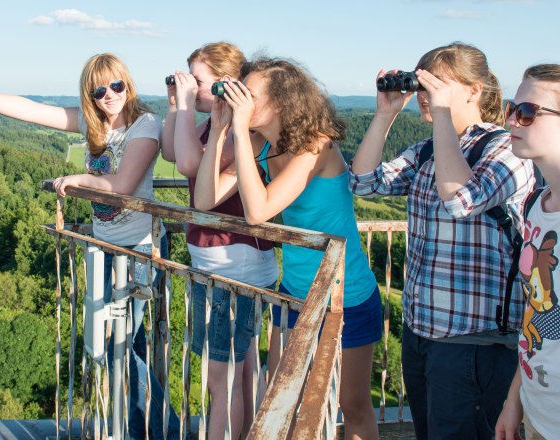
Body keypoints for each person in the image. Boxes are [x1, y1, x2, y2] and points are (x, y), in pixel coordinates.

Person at [0, 52, 179, 440]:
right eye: (99, 90)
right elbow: (28, 109)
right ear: (90, 96)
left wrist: (79, 178)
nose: (109, 95)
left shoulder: (145, 123)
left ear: (127, 84)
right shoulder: (92, 124)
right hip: (107, 249)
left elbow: (124, 186)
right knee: (131, 350)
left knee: (118, 351)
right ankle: (139, 429)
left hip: (140, 252)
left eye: (116, 85)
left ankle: (165, 431)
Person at [349, 42, 535, 440]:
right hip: (423, 333)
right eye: (420, 86)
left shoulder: (506, 149)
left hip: (475, 342)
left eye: (438, 86)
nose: (424, 96)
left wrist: (443, 118)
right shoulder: (429, 150)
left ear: (474, 91)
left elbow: (460, 200)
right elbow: (363, 181)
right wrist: (385, 115)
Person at [195, 56, 381, 440]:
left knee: (354, 406)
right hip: (296, 293)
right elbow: (204, 199)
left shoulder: (315, 145)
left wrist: (242, 132)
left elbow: (258, 212)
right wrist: (219, 130)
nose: (240, 96)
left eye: (250, 92)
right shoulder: (263, 146)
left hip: (346, 295)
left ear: (280, 102)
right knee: (280, 400)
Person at [162, 42, 278, 439]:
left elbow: (189, 165)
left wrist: (185, 107)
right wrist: (178, 104)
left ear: (226, 84)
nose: (192, 87)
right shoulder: (215, 125)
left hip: (233, 267)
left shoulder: (239, 131)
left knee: (220, 380)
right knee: (241, 371)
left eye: (199, 80)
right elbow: (171, 149)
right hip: (220, 264)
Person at [496, 64, 560, 440]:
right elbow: (536, 315)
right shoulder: (537, 205)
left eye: (528, 112)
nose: (512, 122)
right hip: (538, 414)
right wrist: (514, 400)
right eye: (511, 108)